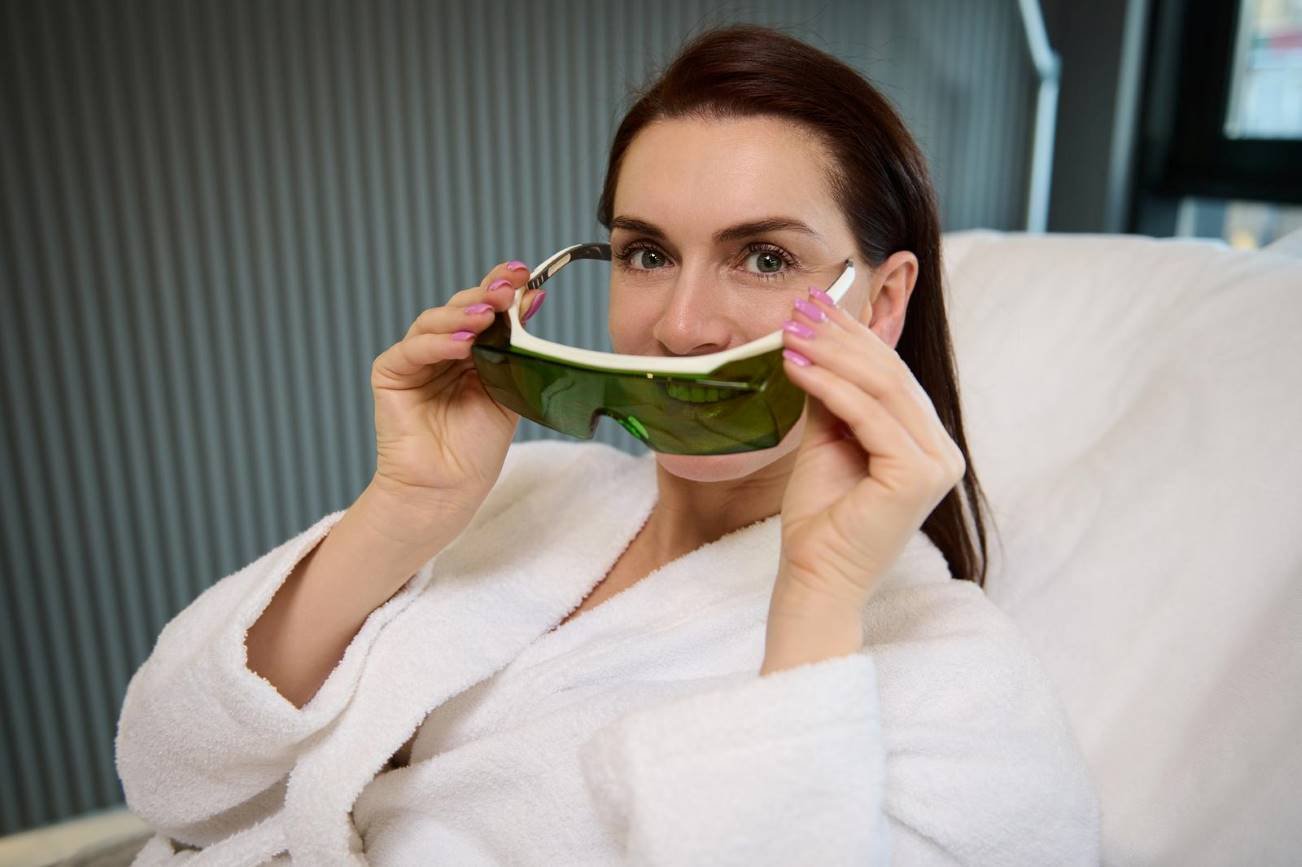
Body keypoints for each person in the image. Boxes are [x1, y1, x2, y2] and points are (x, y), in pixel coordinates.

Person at [115, 23, 1100, 866]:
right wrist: (401, 510)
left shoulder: (960, 678)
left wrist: (818, 595)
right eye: (646, 253)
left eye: (764, 258)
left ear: (880, 303)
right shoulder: (529, 496)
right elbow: (172, 776)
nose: (682, 325)